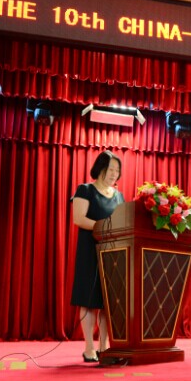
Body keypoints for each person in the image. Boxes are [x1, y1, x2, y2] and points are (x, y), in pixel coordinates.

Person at [70, 150, 125, 363]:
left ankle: (104, 346)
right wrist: (107, 229)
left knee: (107, 302)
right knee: (88, 299)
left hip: (112, 253)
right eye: (110, 169)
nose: (114, 174)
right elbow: (79, 219)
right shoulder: (85, 190)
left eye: (117, 171)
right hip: (89, 251)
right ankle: (89, 348)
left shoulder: (119, 196)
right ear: (100, 168)